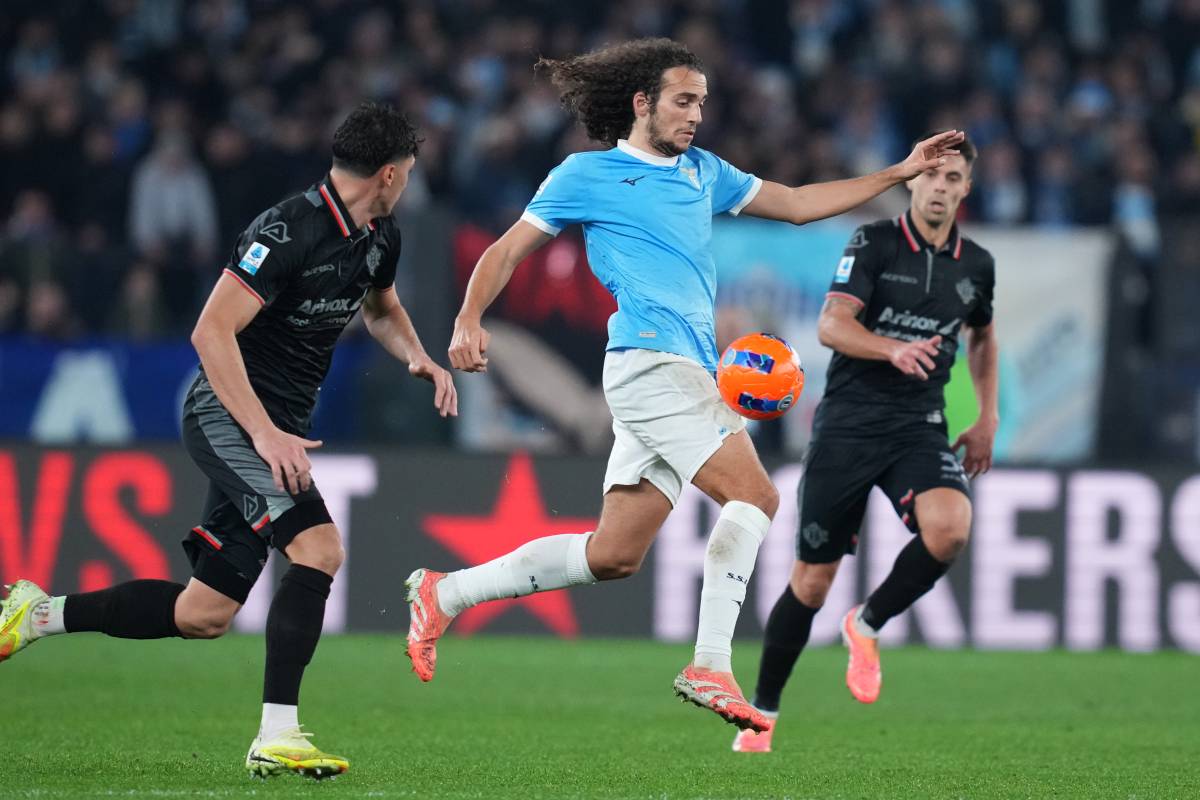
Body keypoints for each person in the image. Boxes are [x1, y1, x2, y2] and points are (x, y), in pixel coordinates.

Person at [403, 38, 963, 733]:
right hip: (650, 364)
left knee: (613, 555)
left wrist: (899, 172)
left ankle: (445, 593)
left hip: (685, 370)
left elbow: (795, 203)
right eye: (684, 101)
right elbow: (506, 250)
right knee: (756, 496)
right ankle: (710, 663)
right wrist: (467, 318)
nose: (697, 114)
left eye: (702, 102)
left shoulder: (705, 171)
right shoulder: (587, 174)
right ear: (643, 103)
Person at [0, 102, 457, 778]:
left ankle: (36, 615)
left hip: (277, 429)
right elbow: (209, 331)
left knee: (203, 612)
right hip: (228, 415)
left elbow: (381, 308)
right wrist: (265, 433)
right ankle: (278, 734)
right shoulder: (286, 229)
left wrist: (418, 356)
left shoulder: (380, 236)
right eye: (410, 171)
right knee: (319, 548)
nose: (410, 182)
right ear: (388, 173)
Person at [733, 133, 997, 753]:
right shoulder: (874, 242)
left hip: (917, 424)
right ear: (913, 181)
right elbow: (831, 324)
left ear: (965, 189)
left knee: (950, 528)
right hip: (849, 424)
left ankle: (868, 623)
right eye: (930, 175)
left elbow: (983, 337)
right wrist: (891, 349)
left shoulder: (977, 265)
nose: (938, 187)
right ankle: (760, 717)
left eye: (952, 178)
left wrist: (986, 417)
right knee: (811, 583)